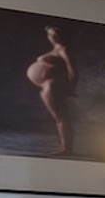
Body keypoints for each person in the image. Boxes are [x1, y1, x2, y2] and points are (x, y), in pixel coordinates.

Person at [25, 25, 77, 156]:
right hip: (45, 85)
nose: (53, 37)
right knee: (58, 118)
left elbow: (72, 71)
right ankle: (64, 146)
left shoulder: (63, 49)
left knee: (61, 117)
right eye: (50, 35)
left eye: (55, 35)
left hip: (53, 85)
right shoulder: (55, 49)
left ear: (61, 35)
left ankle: (67, 149)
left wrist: (71, 88)